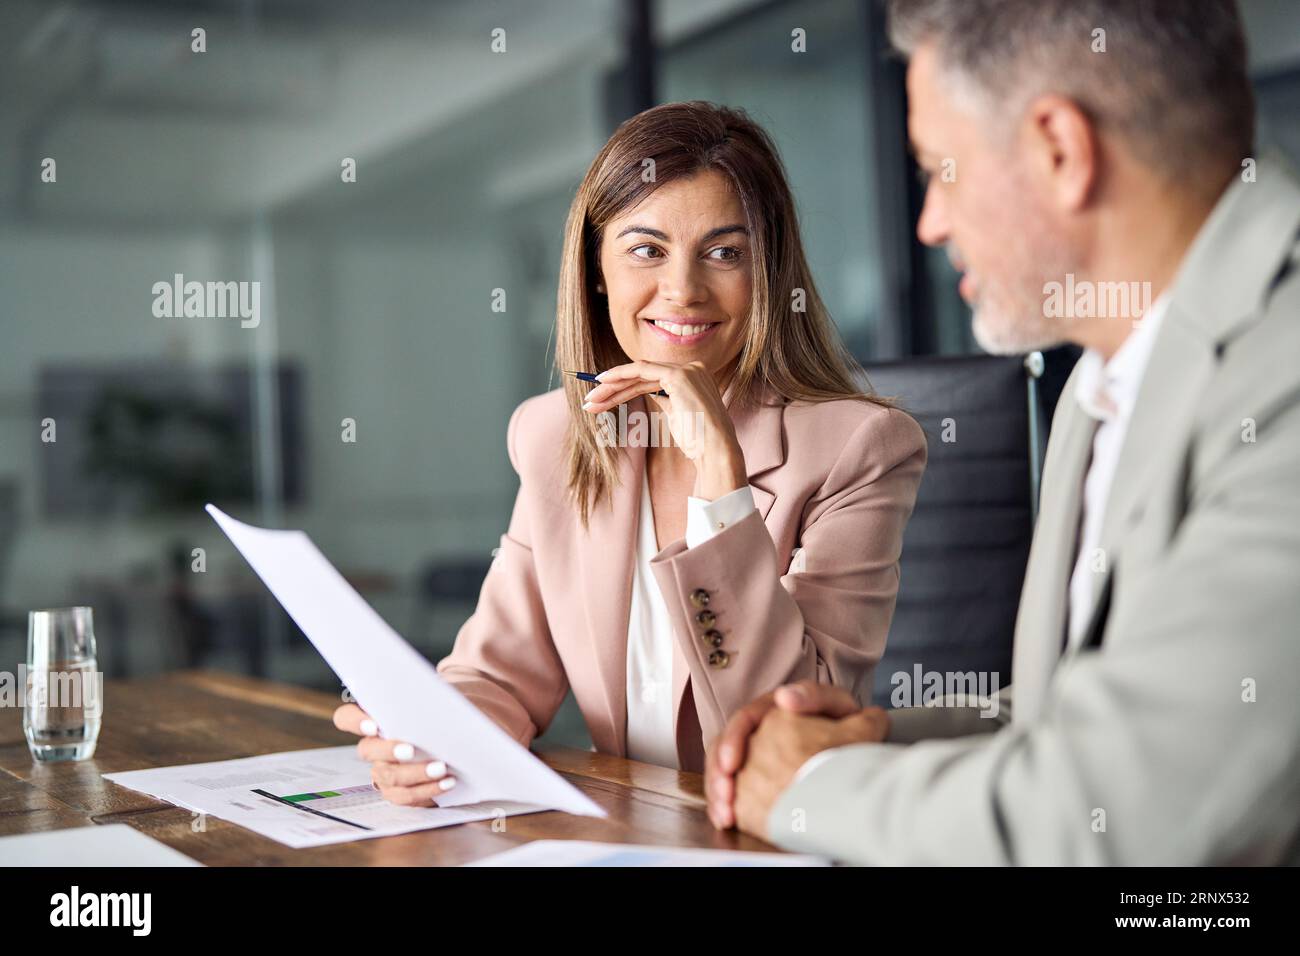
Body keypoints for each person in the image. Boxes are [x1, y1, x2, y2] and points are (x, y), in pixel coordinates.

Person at [708, 0, 1300, 864]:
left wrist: (811, 790)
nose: (930, 225)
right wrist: (877, 742)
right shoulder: (1101, 382)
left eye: (940, 172)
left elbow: (1128, 813)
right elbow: (1072, 717)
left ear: (1061, 150)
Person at [333, 101, 927, 802]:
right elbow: (500, 675)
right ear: (595, 271)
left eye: (725, 253)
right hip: (627, 832)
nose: (683, 290)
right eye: (647, 249)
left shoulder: (858, 448)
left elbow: (792, 728)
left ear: (767, 273)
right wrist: (435, 735)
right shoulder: (556, 436)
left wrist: (722, 482)